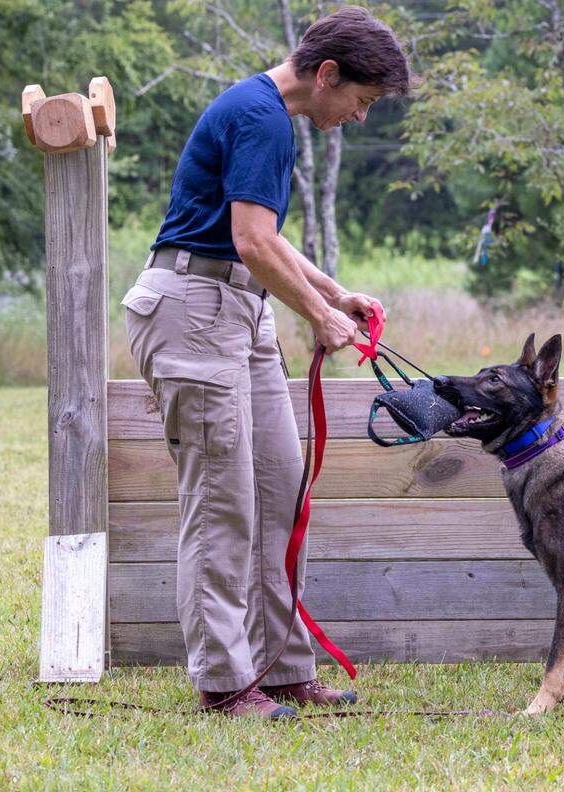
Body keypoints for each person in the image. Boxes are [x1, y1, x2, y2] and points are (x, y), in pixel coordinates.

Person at [120, 6, 410, 720]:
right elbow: (250, 242)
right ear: (327, 74)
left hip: (236, 309)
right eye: (362, 102)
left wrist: (333, 291)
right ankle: (224, 685)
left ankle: (281, 670)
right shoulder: (261, 116)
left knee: (278, 489)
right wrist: (320, 319)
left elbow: (264, 241)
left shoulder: (269, 114)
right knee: (223, 506)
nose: (359, 118)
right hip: (193, 307)